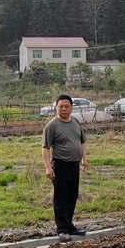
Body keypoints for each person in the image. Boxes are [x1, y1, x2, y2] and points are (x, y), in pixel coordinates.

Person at [42, 94, 88, 238]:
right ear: (56, 108)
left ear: (71, 108)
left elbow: (82, 142)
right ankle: (62, 229)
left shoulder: (75, 122)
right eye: (60, 106)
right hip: (60, 165)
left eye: (66, 106)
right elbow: (45, 147)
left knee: (72, 196)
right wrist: (48, 167)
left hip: (74, 165)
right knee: (61, 197)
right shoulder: (51, 126)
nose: (63, 109)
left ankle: (69, 225)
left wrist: (83, 158)